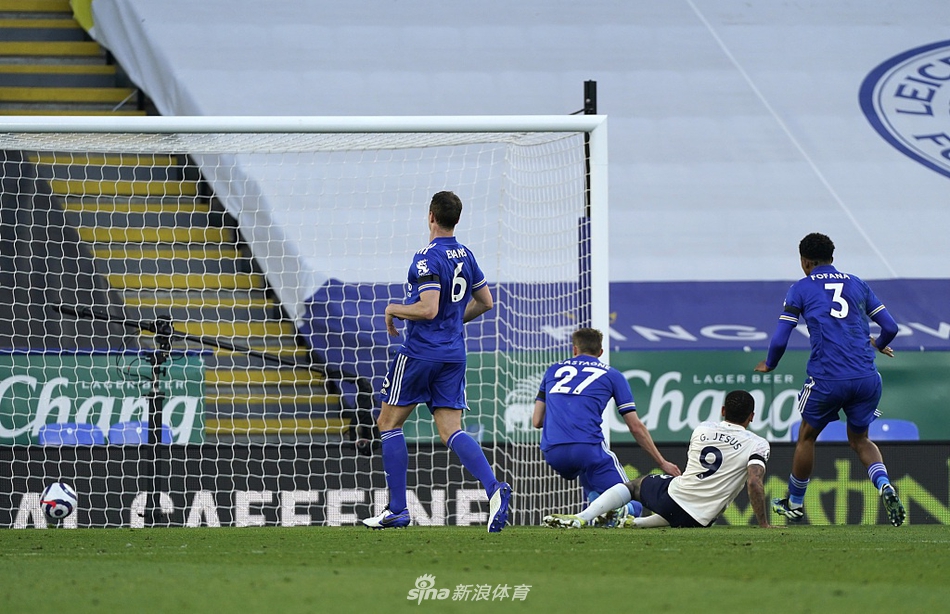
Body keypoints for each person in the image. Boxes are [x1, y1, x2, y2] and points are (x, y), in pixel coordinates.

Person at [361, 191, 511, 532]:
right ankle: (494, 488)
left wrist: (393, 309)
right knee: (450, 430)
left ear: (430, 216)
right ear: (456, 219)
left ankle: (398, 509)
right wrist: (454, 322)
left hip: (420, 353)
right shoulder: (466, 254)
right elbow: (485, 301)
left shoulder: (426, 258)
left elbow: (427, 309)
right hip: (454, 354)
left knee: (388, 423)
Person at [755, 232, 905, 527]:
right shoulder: (857, 283)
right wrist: (876, 344)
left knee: (807, 436)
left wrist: (770, 364)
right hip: (866, 377)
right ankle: (884, 484)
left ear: (805, 261)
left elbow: (780, 338)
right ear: (832, 259)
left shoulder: (800, 288)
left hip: (827, 377)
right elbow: (891, 327)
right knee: (860, 439)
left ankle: (795, 503)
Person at [544, 389, 771, 529]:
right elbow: (753, 482)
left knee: (635, 486)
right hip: (702, 519)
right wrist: (763, 523)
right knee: (689, 504)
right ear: (752, 416)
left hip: (674, 499)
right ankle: (636, 523)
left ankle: (583, 517)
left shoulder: (703, 428)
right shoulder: (758, 444)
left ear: (722, 410)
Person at [532, 327, 681, 524]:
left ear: (574, 349)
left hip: (552, 452)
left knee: (594, 486)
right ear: (601, 352)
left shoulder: (552, 371)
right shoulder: (612, 375)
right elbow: (635, 426)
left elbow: (537, 421)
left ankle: (600, 513)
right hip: (587, 449)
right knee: (630, 495)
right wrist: (662, 463)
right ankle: (620, 511)